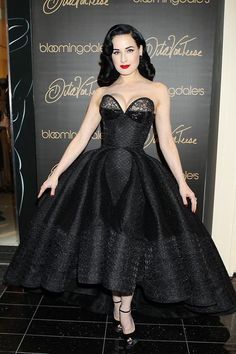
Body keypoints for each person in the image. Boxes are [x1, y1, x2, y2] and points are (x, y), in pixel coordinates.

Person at [3, 24, 236, 350]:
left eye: (129, 49)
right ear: (109, 55)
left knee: (127, 243)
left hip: (138, 177)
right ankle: (117, 304)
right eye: (116, 50)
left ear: (140, 50)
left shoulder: (158, 90)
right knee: (108, 243)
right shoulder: (100, 93)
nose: (123, 57)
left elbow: (166, 140)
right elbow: (82, 137)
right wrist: (56, 173)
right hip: (99, 177)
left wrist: (183, 182)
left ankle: (124, 309)